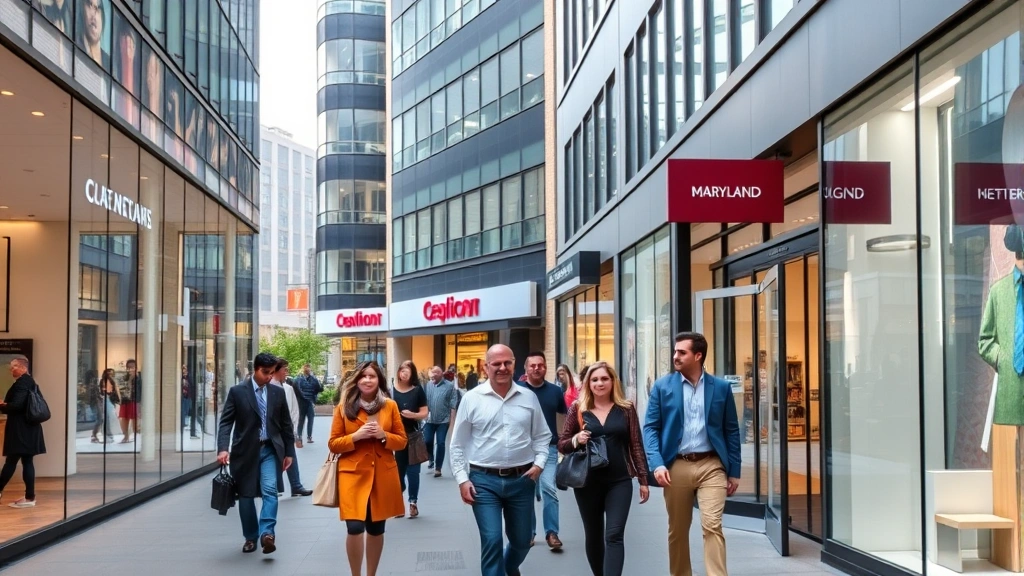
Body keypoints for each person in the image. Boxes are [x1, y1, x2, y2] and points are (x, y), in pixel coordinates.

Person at [643, 332, 741, 576]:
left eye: (681, 352)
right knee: (678, 529)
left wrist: (734, 471)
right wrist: (657, 463)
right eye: (675, 351)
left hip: (712, 465)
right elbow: (651, 428)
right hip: (676, 466)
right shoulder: (662, 387)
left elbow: (731, 430)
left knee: (712, 525)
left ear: (698, 356)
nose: (675, 356)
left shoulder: (721, 388)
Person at [449, 345, 551, 576]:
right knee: (492, 540)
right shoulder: (472, 399)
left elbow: (542, 436)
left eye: (507, 363)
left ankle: (508, 568)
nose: (502, 368)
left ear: (514, 364)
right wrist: (462, 480)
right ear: (486, 367)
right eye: (496, 363)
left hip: (522, 480)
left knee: (523, 541)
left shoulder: (528, 397)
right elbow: (457, 444)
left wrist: (539, 464)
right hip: (483, 481)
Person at [558, 362, 650, 576]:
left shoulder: (626, 409)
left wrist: (643, 479)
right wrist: (576, 439)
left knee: (614, 535)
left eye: (604, 379)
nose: (600, 383)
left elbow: (636, 444)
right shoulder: (578, 409)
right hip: (587, 482)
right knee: (594, 534)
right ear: (588, 383)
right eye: (595, 379)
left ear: (612, 381)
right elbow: (562, 444)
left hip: (620, 481)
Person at [329, 361, 407, 576]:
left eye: (372, 376)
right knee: (354, 527)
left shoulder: (390, 406)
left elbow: (402, 441)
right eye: (363, 376)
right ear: (356, 380)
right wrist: (356, 436)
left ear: (379, 380)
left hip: (382, 475)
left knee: (376, 528)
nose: (367, 380)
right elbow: (333, 444)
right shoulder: (344, 407)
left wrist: (384, 435)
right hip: (352, 475)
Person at [217, 352, 296, 555]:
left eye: (272, 373)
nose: (269, 376)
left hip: (270, 449)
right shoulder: (237, 392)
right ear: (256, 369)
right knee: (246, 496)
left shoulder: (277, 393)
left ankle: (267, 533)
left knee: (270, 490)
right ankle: (251, 537)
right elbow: (226, 422)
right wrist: (223, 448)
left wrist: (289, 452)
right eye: (265, 372)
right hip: (245, 452)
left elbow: (286, 424)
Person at [516, 351, 566, 550]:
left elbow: (562, 416)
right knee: (527, 492)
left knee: (549, 488)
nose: (537, 368)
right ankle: (529, 533)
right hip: (523, 450)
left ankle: (552, 533)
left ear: (545, 367)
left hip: (549, 448)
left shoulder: (555, 391)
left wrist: (563, 441)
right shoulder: (517, 390)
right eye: (533, 365)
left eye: (540, 365)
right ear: (526, 368)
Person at [0, 357, 46, 508]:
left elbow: (17, 406)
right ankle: (29, 497)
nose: (11, 369)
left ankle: (27, 497)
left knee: (12, 461)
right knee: (26, 461)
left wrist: (2, 405)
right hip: (28, 428)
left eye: (15, 366)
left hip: (21, 429)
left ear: (24, 368)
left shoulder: (22, 383)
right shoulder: (28, 382)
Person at [270, 359, 312, 498]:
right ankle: (273, 487)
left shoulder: (288, 388)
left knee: (291, 456)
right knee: (273, 458)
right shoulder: (266, 387)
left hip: (286, 430)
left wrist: (293, 431)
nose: (286, 372)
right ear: (276, 370)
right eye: (284, 369)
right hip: (272, 431)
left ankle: (296, 486)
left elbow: (294, 410)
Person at [391, 360, 427, 518]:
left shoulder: (417, 390)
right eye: (402, 371)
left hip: (412, 436)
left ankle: (413, 503)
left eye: (407, 371)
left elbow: (424, 412)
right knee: (397, 472)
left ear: (412, 374)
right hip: (396, 437)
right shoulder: (391, 390)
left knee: (413, 471)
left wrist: (413, 415)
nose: (404, 374)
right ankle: (399, 502)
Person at [423, 366, 458, 478]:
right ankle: (431, 458)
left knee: (441, 443)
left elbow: (453, 404)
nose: (432, 375)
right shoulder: (428, 385)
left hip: (443, 420)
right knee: (427, 441)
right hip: (429, 419)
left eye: (435, 373)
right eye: (432, 373)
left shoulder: (450, 386)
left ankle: (438, 468)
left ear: (441, 374)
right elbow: (423, 400)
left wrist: (452, 421)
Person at [295, 363, 323, 443]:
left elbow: (318, 389)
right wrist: (304, 397)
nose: (308, 370)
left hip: (309, 401)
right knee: (302, 419)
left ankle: (307, 436)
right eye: (306, 368)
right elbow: (297, 390)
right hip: (303, 402)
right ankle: (300, 436)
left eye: (308, 368)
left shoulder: (313, 379)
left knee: (309, 419)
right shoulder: (299, 379)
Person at [76, 0, 107, 67]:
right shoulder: (75, 48)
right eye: (90, 6)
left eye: (97, 8)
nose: (94, 16)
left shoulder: (109, 63)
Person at [119, 359, 140, 444]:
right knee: (124, 418)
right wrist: (129, 381)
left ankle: (135, 435)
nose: (130, 369)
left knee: (135, 418)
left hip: (135, 400)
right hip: (126, 400)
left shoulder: (139, 377)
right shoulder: (125, 377)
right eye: (128, 367)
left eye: (132, 367)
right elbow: (122, 389)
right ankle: (126, 436)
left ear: (136, 367)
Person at [99, 368, 120, 443]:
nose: (110, 375)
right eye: (108, 373)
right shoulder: (104, 381)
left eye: (111, 373)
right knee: (107, 418)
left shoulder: (111, 381)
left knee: (109, 418)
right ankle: (108, 436)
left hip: (109, 399)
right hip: (107, 399)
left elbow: (113, 390)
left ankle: (109, 436)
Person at [181, 365, 197, 438]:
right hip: (183, 396)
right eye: (183, 369)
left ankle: (185, 422)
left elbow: (191, 385)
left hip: (188, 395)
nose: (185, 371)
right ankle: (183, 423)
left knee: (187, 410)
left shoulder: (189, 377)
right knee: (183, 410)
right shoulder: (181, 377)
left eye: (185, 370)